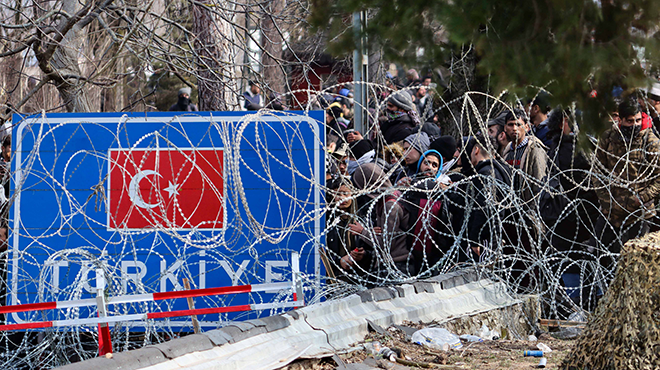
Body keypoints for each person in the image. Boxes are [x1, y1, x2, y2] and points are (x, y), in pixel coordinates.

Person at [591, 98, 660, 277]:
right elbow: (597, 171)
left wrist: (641, 198)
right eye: (630, 121)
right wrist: (606, 201)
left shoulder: (650, 142)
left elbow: (658, 179)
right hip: (610, 212)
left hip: (637, 214)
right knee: (598, 255)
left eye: (638, 120)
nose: (635, 125)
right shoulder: (608, 137)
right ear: (620, 120)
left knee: (632, 264)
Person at [351, 163, 413, 276]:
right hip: (392, 264)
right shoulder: (390, 196)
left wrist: (363, 232)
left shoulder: (389, 205)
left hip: (397, 264)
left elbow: (387, 244)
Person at [502, 108, 549, 203]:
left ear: (527, 127)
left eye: (518, 125)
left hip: (527, 208)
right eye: (511, 125)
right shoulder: (507, 151)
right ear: (505, 128)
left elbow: (539, 184)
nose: (514, 128)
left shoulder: (534, 150)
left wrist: (532, 213)